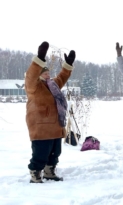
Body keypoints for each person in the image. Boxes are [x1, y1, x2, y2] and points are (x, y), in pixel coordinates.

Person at [25, 42, 76, 183]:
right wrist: (40, 58)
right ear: (39, 75)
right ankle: (35, 173)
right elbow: (31, 75)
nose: (48, 75)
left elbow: (62, 77)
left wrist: (68, 65)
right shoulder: (33, 86)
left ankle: (49, 171)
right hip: (40, 126)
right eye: (44, 73)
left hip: (55, 125)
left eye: (48, 72)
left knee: (55, 151)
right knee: (40, 152)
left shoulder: (52, 85)